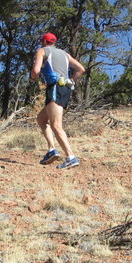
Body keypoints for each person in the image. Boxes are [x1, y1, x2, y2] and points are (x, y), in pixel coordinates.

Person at [30, 32, 86, 170]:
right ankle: (51, 150)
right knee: (41, 119)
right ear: (54, 42)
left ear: (43, 42)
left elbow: (36, 70)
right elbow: (81, 69)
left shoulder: (42, 51)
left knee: (56, 125)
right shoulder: (65, 54)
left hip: (55, 87)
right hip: (65, 89)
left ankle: (71, 157)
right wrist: (71, 80)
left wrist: (32, 77)